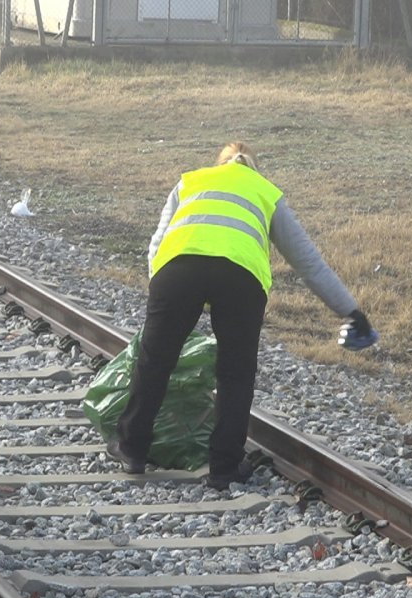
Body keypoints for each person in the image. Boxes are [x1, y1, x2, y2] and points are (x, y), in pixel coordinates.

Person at [105, 142, 378, 490]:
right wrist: (351, 311)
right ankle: (224, 468)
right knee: (235, 374)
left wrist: (161, 294)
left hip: (178, 270)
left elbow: (157, 243)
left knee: (155, 360)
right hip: (241, 280)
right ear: (254, 168)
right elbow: (309, 263)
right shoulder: (266, 192)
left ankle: (131, 450)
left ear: (218, 163)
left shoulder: (191, 181)